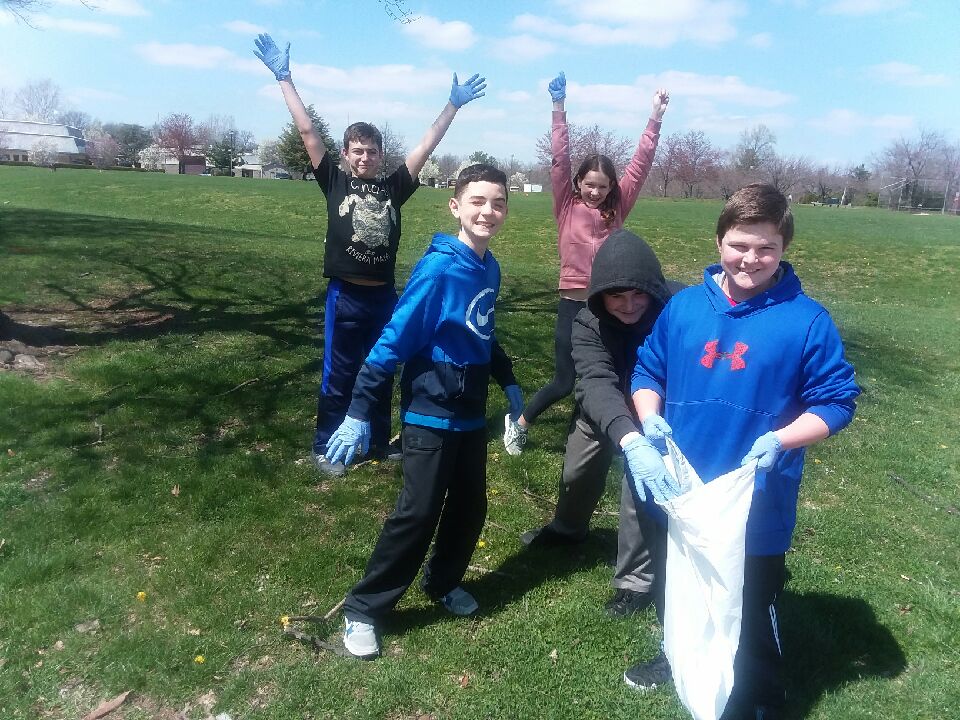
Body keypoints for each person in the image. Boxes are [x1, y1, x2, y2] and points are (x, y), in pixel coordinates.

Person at [623, 184, 860, 719]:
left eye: (766, 248)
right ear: (718, 241)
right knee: (681, 582)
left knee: (754, 604)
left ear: (783, 249)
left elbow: (838, 402)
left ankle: (761, 692)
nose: (750, 259)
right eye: (739, 245)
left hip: (756, 495)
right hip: (682, 488)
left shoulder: (806, 321)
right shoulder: (683, 306)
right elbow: (647, 369)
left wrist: (783, 438)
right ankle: (679, 655)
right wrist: (648, 415)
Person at [253, 33, 487, 477]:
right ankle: (327, 446)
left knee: (381, 367)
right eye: (357, 151)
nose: (365, 157)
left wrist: (452, 106)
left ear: (381, 156)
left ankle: (377, 440)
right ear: (344, 155)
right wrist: (285, 78)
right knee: (338, 375)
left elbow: (425, 146)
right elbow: (307, 131)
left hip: (384, 297)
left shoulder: (392, 188)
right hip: (346, 297)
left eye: (372, 151)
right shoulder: (335, 181)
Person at [324, 164, 523, 658]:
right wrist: (358, 410)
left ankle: (441, 582)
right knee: (417, 514)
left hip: (471, 411)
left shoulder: (488, 266)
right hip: (431, 411)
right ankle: (364, 610)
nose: (488, 211)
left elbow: (481, 329)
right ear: (456, 206)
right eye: (477, 201)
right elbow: (394, 339)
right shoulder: (439, 270)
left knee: (469, 509)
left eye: (497, 202)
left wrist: (510, 381)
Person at [502, 71, 669, 455]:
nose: (595, 191)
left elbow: (641, 164)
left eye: (603, 186)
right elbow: (560, 159)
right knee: (564, 379)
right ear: (578, 184)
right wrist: (558, 108)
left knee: (609, 376)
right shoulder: (566, 205)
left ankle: (596, 436)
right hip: (574, 305)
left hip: (608, 304)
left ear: (612, 189)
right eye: (589, 184)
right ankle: (521, 423)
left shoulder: (618, 208)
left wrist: (655, 118)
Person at [520, 228, 680, 618]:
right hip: (606, 407)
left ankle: (636, 582)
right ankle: (568, 529)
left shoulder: (678, 309)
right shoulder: (588, 321)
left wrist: (646, 430)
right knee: (577, 467)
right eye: (616, 296)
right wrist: (624, 435)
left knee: (637, 489)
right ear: (600, 294)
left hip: (655, 413)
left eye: (638, 294)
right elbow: (594, 382)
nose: (628, 305)